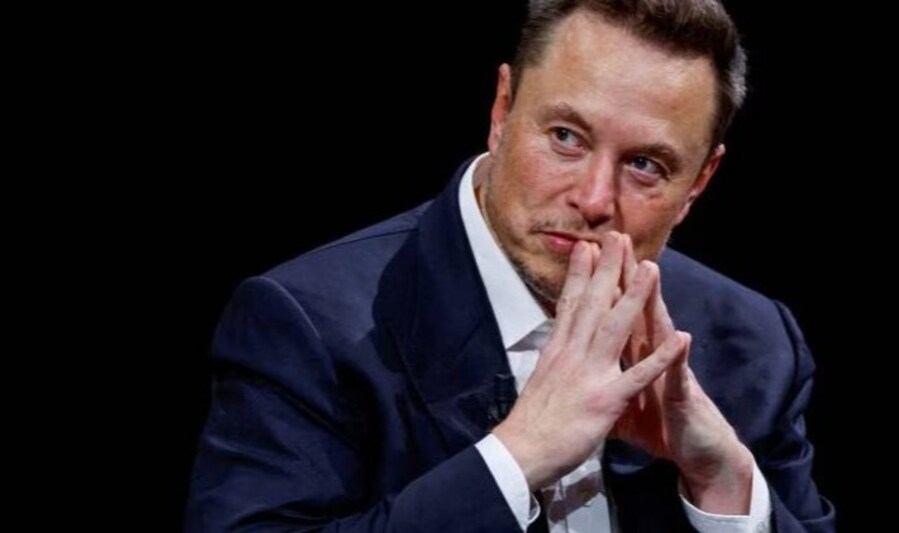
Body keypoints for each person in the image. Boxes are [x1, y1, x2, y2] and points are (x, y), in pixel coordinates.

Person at [186, 0, 835, 531]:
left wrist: (725, 486)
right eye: (566, 137)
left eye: (646, 165)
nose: (594, 199)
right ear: (502, 110)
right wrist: (514, 458)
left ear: (699, 182)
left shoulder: (756, 342)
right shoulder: (307, 325)